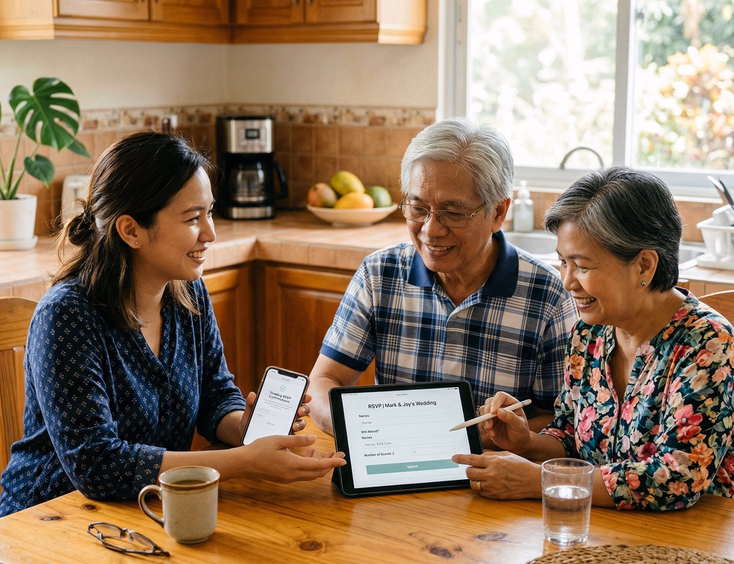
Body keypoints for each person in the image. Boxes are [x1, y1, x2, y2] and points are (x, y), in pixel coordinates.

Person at [0, 132, 345, 517]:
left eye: (209, 212)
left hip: (150, 509)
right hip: (48, 519)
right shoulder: (66, 316)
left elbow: (216, 395)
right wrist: (245, 462)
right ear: (131, 230)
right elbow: (97, 465)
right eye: (192, 218)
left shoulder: (186, 294)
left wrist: (245, 427)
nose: (210, 233)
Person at [453, 166, 734, 511]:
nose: (568, 282)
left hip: (688, 540)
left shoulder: (707, 344)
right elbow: (572, 438)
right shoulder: (589, 333)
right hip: (597, 529)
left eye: (582, 266)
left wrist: (540, 481)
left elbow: (677, 479)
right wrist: (526, 442)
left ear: (644, 266)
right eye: (562, 263)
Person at [308, 117, 578, 441]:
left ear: (498, 213)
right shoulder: (379, 275)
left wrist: (501, 434)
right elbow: (323, 382)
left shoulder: (550, 297)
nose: (431, 230)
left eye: (453, 212)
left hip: (492, 474)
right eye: (418, 208)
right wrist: (370, 434)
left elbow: (559, 420)